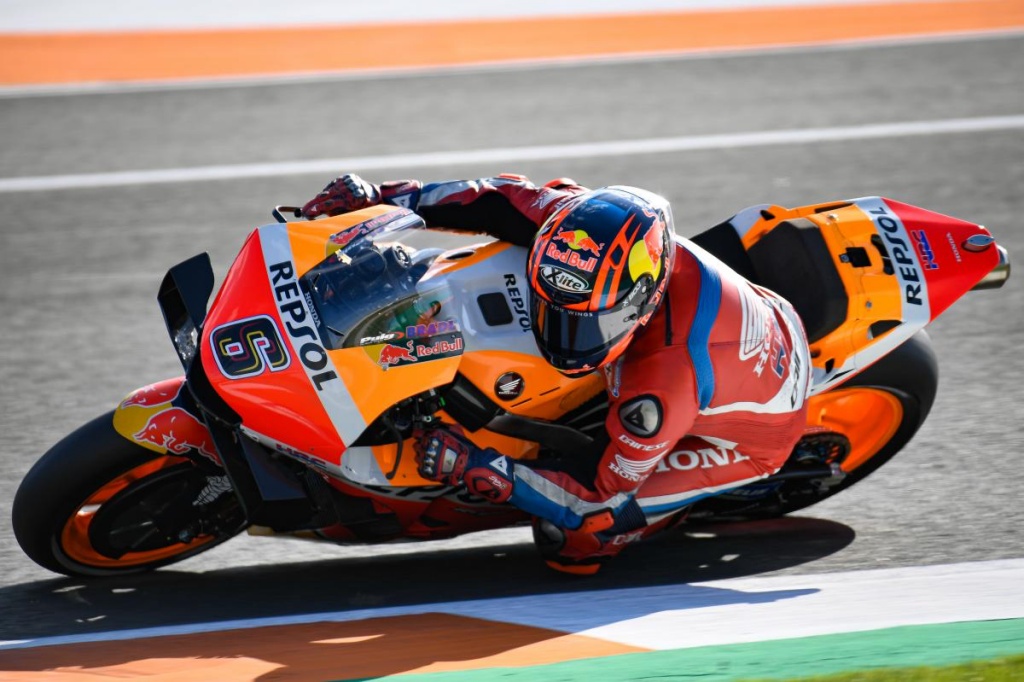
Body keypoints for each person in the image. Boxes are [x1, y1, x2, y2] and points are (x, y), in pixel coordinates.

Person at [302, 173, 812, 574]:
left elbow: (598, 492)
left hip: (753, 429)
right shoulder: (574, 229)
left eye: (589, 323)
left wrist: (479, 469)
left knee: (581, 536)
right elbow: (492, 198)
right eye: (554, 311)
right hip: (735, 318)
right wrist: (382, 198)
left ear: (642, 301)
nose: (565, 335)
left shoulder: (661, 388)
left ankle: (635, 528)